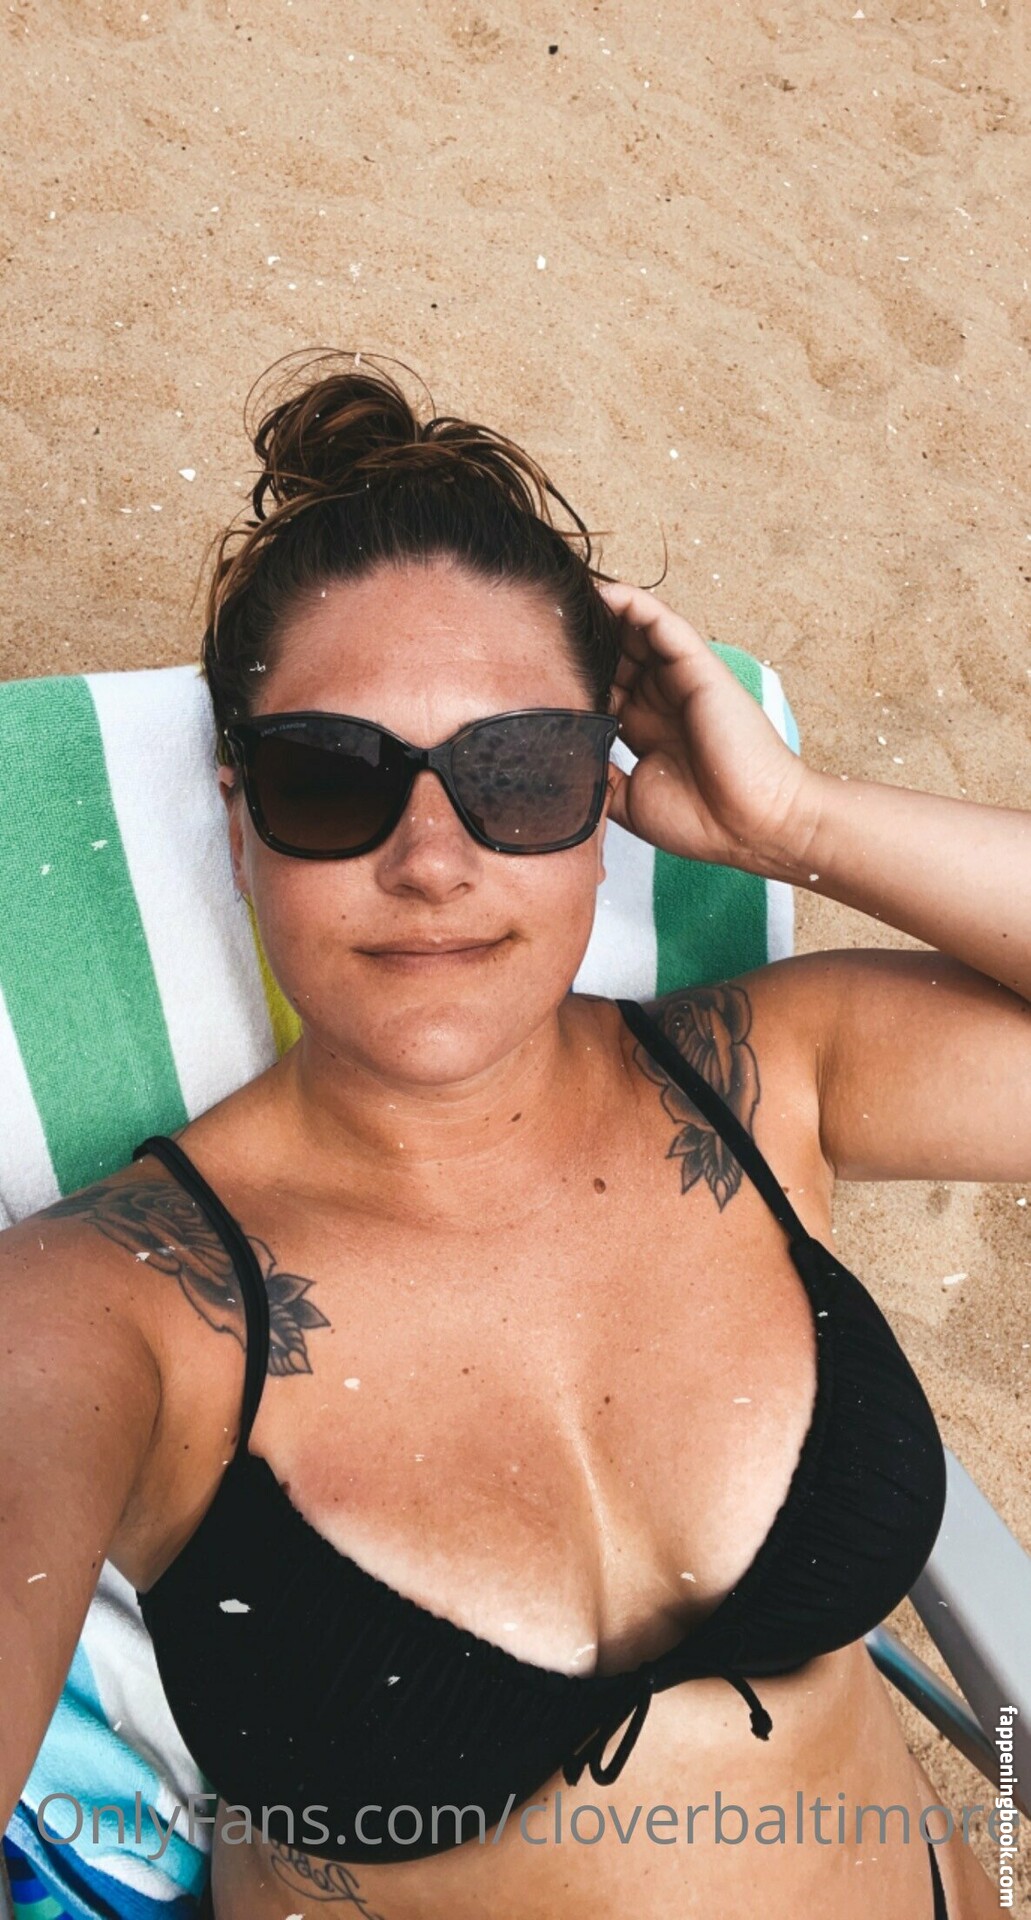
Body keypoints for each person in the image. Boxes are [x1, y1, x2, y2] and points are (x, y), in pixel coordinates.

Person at [3, 349, 1023, 1920]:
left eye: (519, 773)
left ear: (603, 797)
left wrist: (795, 820)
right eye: (331, 778)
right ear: (238, 808)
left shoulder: (770, 1079)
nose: (432, 859)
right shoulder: (114, 1305)